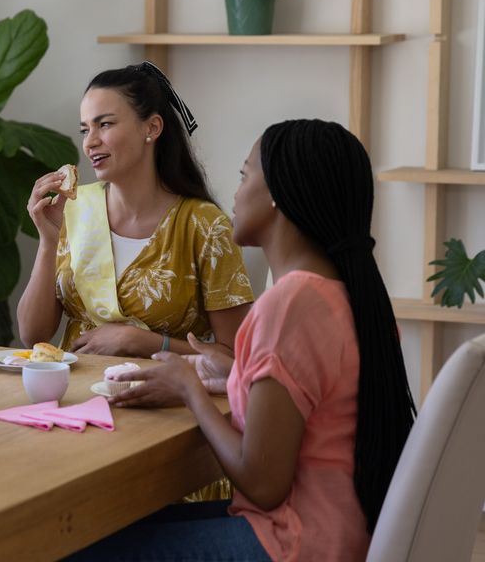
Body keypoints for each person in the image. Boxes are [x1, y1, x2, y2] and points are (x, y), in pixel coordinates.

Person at [71, 119, 417, 561]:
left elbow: (263, 484)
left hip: (293, 544)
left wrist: (189, 389)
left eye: (244, 174)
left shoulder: (290, 303)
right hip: (343, 533)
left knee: (73, 545)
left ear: (278, 193)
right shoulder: (345, 293)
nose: (234, 193)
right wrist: (236, 373)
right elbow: (320, 400)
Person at [18, 62, 253, 359]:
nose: (90, 142)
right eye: (85, 129)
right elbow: (32, 336)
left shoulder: (205, 226)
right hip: (74, 395)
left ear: (152, 127)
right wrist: (49, 241)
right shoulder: (73, 208)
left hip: (164, 397)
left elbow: (235, 358)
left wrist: (146, 342)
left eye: (104, 125)